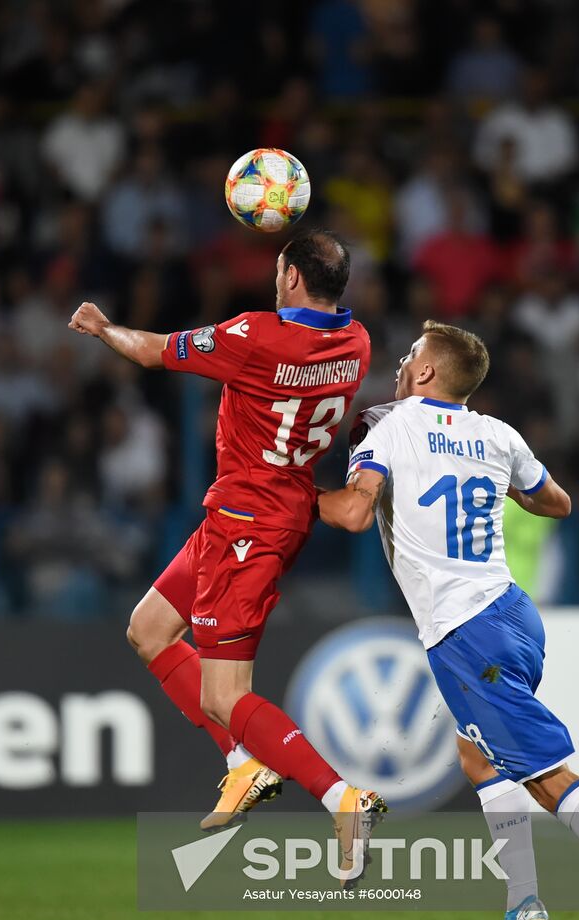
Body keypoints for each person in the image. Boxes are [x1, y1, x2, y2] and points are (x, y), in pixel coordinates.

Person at [318, 320, 579, 920]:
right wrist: (487, 479)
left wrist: (290, 494)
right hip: (512, 613)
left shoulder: (388, 430)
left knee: (544, 775)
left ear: (423, 373)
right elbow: (554, 502)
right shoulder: (498, 435)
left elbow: (353, 515)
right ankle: (520, 900)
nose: (400, 363)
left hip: (465, 630)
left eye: (410, 355)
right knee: (475, 755)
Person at [69, 229, 386, 881]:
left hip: (248, 527)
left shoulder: (258, 337)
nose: (274, 279)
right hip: (259, 514)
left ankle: (342, 798)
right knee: (150, 629)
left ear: (293, 278)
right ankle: (243, 765)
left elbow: (155, 353)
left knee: (223, 696)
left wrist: (103, 328)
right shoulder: (355, 343)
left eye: (278, 269)